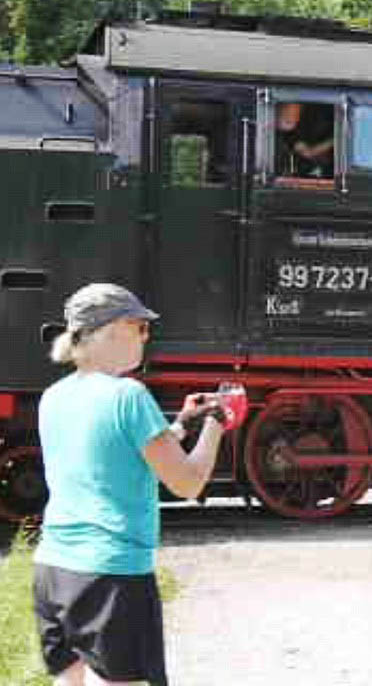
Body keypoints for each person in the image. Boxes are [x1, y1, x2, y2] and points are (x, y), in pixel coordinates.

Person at [33, 283, 228, 686]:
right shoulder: (129, 395)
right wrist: (218, 423)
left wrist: (180, 425)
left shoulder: (53, 396)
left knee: (67, 683)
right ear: (110, 330)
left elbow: (112, 451)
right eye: (140, 326)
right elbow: (188, 483)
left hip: (53, 569)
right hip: (111, 574)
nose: (146, 336)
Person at [275, 102, 334, 178]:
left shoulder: (323, 111)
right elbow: (288, 133)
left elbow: (340, 135)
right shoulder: (288, 129)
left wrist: (317, 150)